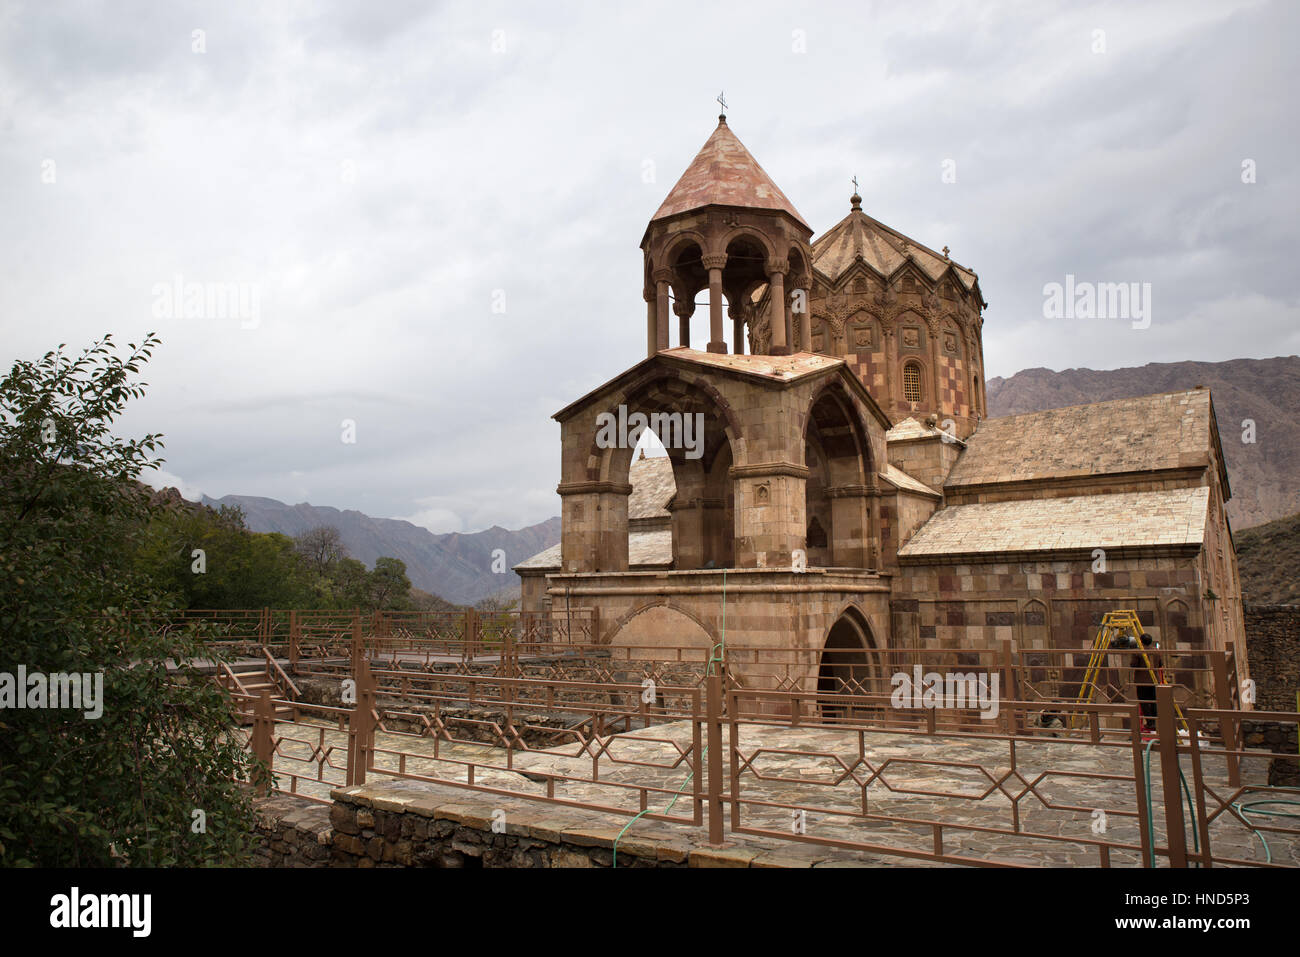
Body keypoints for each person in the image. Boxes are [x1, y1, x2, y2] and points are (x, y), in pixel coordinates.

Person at [1130, 633, 1159, 736]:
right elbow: (1160, 664)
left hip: (1142, 681)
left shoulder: (1138, 652)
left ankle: (1150, 723)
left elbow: (1133, 664)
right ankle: (1155, 721)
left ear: (1141, 641)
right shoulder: (1156, 651)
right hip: (1154, 680)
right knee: (1154, 701)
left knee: (1144, 702)